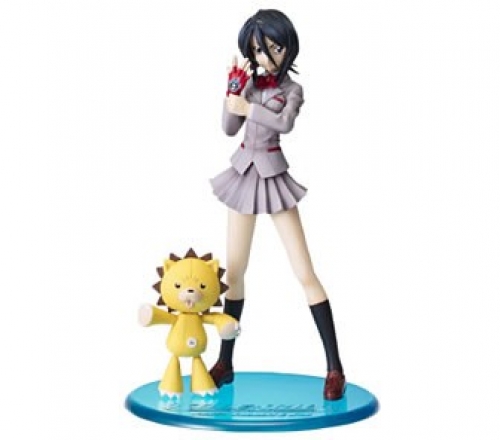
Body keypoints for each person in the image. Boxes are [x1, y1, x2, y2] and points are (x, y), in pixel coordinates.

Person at [210, 9, 345, 400]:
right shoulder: (250, 84)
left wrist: (248, 107)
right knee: (234, 272)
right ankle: (225, 362)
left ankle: (335, 368)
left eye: (273, 48)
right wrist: (232, 94)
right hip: (242, 174)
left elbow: (284, 123)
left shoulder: (292, 89)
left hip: (273, 174)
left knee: (304, 271)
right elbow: (228, 129)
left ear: (288, 47)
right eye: (258, 50)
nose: (266, 57)